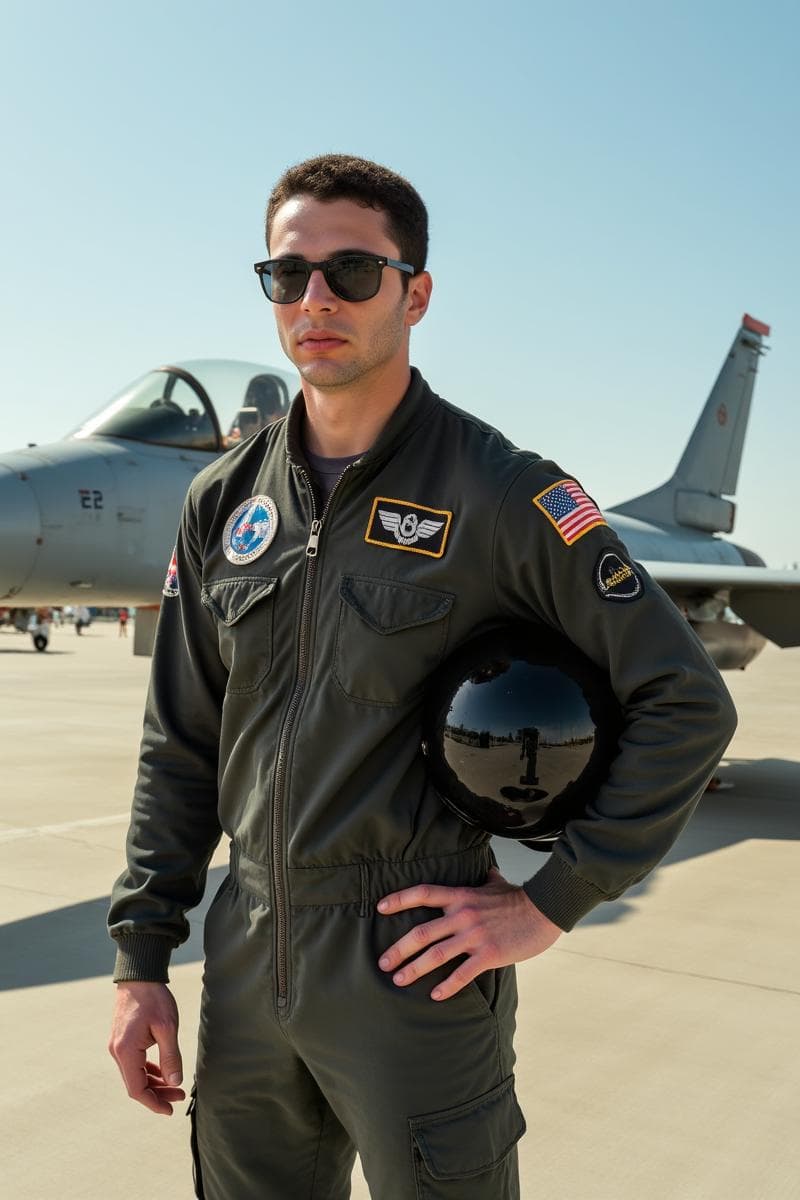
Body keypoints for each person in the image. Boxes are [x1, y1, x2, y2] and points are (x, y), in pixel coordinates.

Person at [107, 154, 737, 1199]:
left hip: (411, 961)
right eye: (286, 275)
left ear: (415, 293)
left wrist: (554, 899)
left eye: (352, 272)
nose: (315, 300)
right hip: (248, 954)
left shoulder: (503, 494)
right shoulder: (223, 501)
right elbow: (178, 741)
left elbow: (684, 701)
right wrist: (138, 962)